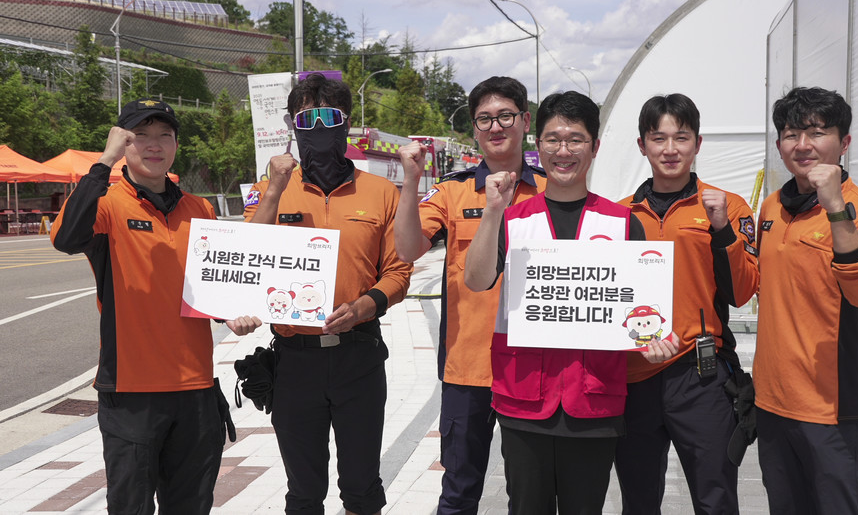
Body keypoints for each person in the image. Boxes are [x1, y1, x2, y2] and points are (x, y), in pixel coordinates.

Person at [464, 91, 677, 514]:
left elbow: (641, 312)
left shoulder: (622, 223)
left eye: (576, 140)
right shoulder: (512, 218)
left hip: (593, 400)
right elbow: (476, 279)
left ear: (594, 147)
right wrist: (491, 212)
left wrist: (653, 343)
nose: (564, 151)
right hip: (523, 397)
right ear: (537, 146)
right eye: (553, 139)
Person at [50, 98, 261, 514]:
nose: (154, 145)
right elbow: (66, 238)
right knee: (131, 507)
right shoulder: (107, 205)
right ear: (122, 143)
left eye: (164, 135)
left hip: (196, 390)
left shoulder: (199, 209)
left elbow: (212, 285)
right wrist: (101, 164)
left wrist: (232, 313)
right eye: (140, 135)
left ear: (176, 145)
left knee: (192, 506)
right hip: (132, 393)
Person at [242, 73, 412, 515]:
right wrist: (275, 189)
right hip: (294, 360)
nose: (318, 127)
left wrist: (364, 306)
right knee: (303, 490)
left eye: (329, 116)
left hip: (359, 356)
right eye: (306, 117)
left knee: (361, 486)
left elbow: (398, 273)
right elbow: (245, 258)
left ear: (347, 124)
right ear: (291, 125)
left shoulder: (380, 192)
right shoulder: (270, 192)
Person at [395, 76, 547, 514]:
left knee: (531, 494)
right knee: (459, 491)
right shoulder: (452, 192)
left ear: (524, 121)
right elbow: (408, 249)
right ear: (474, 129)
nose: (495, 126)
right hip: (467, 369)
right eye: (484, 119)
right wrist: (411, 182)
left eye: (505, 116)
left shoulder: (549, 191)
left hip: (532, 367)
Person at [613, 94, 759, 514]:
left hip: (701, 375)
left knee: (714, 499)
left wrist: (722, 232)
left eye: (682, 137)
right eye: (658, 138)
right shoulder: (619, 214)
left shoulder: (727, 206)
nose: (670, 149)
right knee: (638, 501)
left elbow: (743, 291)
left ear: (698, 143)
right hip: (635, 374)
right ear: (642, 145)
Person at [754, 87, 858, 514]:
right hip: (772, 402)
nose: (803, 145)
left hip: (833, 409)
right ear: (779, 145)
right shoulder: (773, 206)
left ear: (844, 143)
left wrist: (835, 208)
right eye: (792, 133)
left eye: (817, 132)